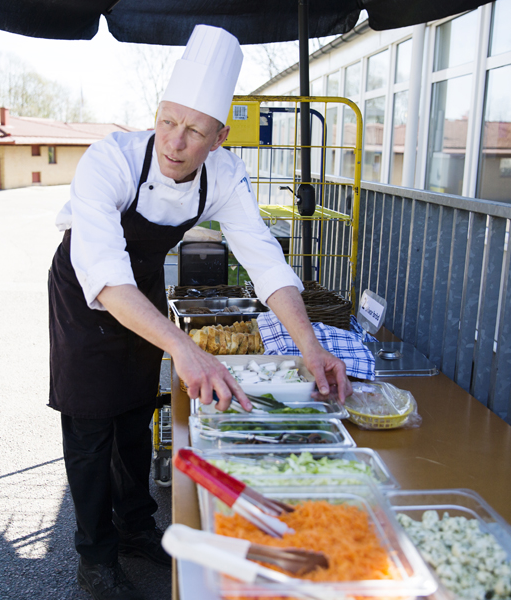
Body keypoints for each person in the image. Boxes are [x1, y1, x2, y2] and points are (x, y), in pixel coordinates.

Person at [48, 24, 352, 600]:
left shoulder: (225, 174)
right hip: (85, 289)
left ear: (219, 136)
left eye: (193, 130)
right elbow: (106, 276)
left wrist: (313, 346)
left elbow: (266, 264)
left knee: (136, 412)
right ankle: (95, 555)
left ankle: (137, 528)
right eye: (167, 121)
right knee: (90, 422)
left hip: (142, 289)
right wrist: (185, 349)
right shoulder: (109, 159)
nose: (174, 142)